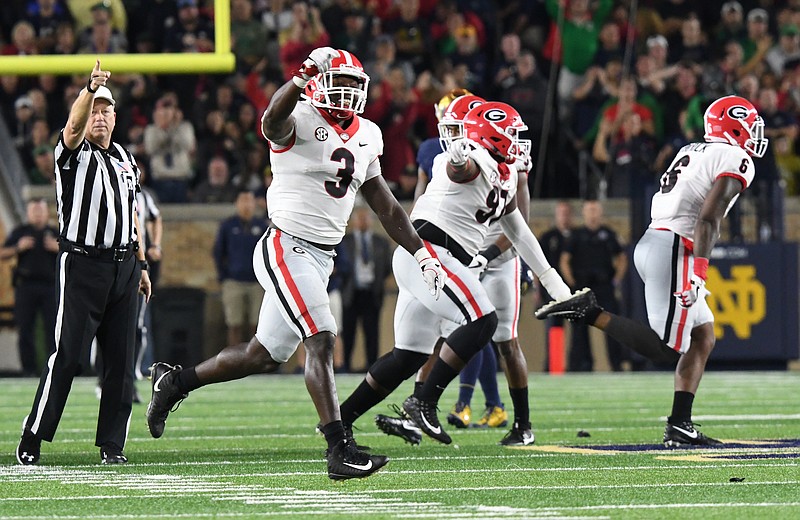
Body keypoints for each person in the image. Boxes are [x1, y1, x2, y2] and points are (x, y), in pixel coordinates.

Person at [144, 47, 446, 481]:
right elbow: (270, 122)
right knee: (321, 338)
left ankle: (173, 383)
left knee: (261, 355)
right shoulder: (299, 115)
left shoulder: (369, 135)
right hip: (286, 244)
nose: (344, 94)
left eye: (351, 86)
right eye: (335, 83)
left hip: (321, 256)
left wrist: (421, 251)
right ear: (315, 82)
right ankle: (339, 449)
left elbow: (385, 205)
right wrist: (298, 80)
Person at [339, 100, 574, 447]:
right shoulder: (471, 160)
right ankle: (423, 402)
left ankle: (340, 420)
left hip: (429, 259)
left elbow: (520, 233)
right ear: (490, 133)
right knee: (482, 320)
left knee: (409, 355)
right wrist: (459, 156)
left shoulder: (504, 174)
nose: (518, 140)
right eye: (512, 133)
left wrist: (554, 281)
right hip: (431, 253)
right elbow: (454, 168)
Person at [536, 95, 768, 447]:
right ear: (734, 126)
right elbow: (708, 218)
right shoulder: (735, 157)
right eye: (750, 125)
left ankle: (679, 424)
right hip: (675, 248)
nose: (754, 133)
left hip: (656, 241)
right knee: (666, 349)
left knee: (703, 336)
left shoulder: (694, 149)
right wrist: (699, 273)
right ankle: (590, 312)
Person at [16, 61, 151, 466]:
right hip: (83, 265)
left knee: (121, 363)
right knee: (68, 355)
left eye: (105, 110)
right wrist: (89, 89)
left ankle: (112, 445)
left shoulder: (127, 158)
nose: (98, 116)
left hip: (124, 267)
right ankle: (33, 435)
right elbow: (72, 129)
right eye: (94, 109)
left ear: (115, 117)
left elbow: (131, 216)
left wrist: (142, 265)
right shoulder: (71, 154)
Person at [559, 200, 627, 372]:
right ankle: (581, 366)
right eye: (589, 210)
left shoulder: (608, 234)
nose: (592, 213)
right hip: (583, 287)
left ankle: (617, 364)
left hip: (604, 286)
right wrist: (572, 283)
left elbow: (622, 258)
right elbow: (564, 261)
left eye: (595, 210)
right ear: (584, 213)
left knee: (612, 326)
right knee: (579, 330)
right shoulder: (576, 235)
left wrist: (616, 280)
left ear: (600, 212)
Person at [0, 198, 59, 377]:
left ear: (46, 212)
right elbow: (2, 252)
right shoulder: (21, 232)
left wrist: (58, 248)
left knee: (53, 330)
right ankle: (29, 370)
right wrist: (19, 247)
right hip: (25, 286)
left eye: (40, 211)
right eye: (34, 211)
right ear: (28, 213)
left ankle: (52, 371)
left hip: (50, 286)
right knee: (25, 329)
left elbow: (73, 253)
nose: (37, 214)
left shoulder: (55, 233)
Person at [213, 190, 269, 347]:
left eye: (249, 201)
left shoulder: (262, 226)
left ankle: (255, 361)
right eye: (242, 200)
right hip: (234, 281)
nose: (246, 205)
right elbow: (218, 252)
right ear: (236, 204)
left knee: (257, 325)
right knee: (234, 324)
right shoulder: (228, 225)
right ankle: (233, 362)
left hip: (257, 282)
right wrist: (224, 276)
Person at [339, 206, 392, 373]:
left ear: (371, 221)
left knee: (372, 332)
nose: (362, 221)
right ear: (353, 221)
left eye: (366, 218)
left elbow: (386, 267)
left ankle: (372, 367)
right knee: (348, 331)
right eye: (359, 218)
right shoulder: (344, 241)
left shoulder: (380, 242)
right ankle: (345, 366)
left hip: (372, 293)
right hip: (350, 293)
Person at [537, 201, 573, 373]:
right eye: (561, 212)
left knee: (579, 329)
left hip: (574, 289)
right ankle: (555, 366)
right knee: (554, 327)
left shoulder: (576, 235)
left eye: (567, 212)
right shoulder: (547, 237)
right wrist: (538, 290)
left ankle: (579, 365)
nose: (564, 216)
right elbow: (537, 264)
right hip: (551, 291)